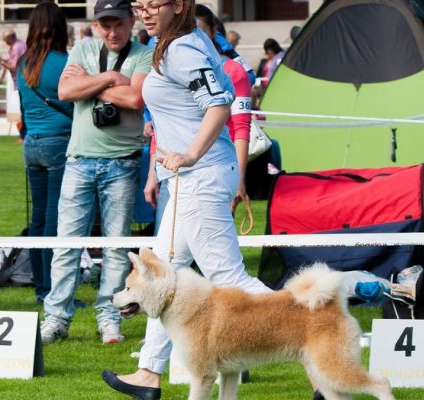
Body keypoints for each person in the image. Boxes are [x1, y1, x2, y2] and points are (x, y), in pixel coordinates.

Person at [101, 1, 271, 398]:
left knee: (228, 278)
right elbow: (202, 98)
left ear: (178, 5)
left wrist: (190, 153)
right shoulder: (179, 41)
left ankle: (314, 332)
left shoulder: (181, 48)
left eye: (151, 4)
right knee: (161, 276)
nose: (142, 11)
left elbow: (217, 103)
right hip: (189, 178)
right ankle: (148, 372)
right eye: (138, 4)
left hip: (200, 176)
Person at [40, 0, 152, 345]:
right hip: (78, 160)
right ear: (95, 25)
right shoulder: (84, 48)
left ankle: (109, 318)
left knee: (116, 248)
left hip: (122, 163)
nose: (112, 32)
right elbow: (65, 91)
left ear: (132, 21)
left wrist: (89, 83)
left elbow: (136, 100)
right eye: (105, 25)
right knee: (66, 245)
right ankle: (56, 318)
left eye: (118, 24)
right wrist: (109, 78)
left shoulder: (144, 55)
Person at [16, 2, 73, 305]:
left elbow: (24, 109)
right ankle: (53, 291)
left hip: (32, 144)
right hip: (58, 143)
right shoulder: (65, 61)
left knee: (38, 220)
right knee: (54, 221)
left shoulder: (22, 63)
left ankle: (42, 287)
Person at [195, 4, 251, 212]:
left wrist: (239, 178)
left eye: (199, 31)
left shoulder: (234, 71)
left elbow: (241, 128)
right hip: (180, 170)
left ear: (213, 32)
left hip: (219, 168)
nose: (194, 38)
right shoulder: (176, 67)